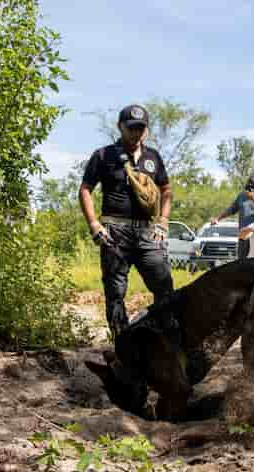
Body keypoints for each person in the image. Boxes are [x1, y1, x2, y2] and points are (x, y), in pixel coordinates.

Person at [79, 104, 174, 337]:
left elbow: (166, 189)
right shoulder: (104, 155)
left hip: (147, 233)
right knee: (115, 293)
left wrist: (163, 220)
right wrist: (94, 224)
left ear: (147, 130)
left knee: (165, 287)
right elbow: (85, 189)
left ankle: (163, 340)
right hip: (114, 232)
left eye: (141, 128)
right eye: (131, 128)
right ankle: (122, 348)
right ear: (120, 127)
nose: (136, 133)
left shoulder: (153, 157)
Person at [211, 174, 254, 259]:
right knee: (242, 262)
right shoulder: (241, 196)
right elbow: (231, 209)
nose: (252, 186)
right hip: (243, 235)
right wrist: (218, 218)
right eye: (251, 183)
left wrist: (253, 198)